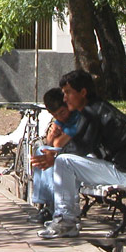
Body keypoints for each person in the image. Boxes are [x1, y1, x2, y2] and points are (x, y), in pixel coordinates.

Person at [32, 69, 126, 239]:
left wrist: (54, 157)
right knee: (64, 161)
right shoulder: (93, 108)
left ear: (83, 92)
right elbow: (80, 145)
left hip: (124, 172)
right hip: (121, 168)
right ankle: (63, 216)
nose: (64, 99)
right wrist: (54, 155)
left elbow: (81, 147)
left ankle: (66, 221)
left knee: (65, 162)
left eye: (68, 93)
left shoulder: (93, 112)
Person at [28, 88, 82, 224]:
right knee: (42, 150)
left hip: (80, 157)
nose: (60, 117)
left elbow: (59, 143)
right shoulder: (61, 119)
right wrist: (51, 135)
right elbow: (50, 141)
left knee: (50, 156)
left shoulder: (76, 117)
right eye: (55, 115)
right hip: (67, 154)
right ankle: (46, 203)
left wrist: (55, 139)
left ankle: (53, 206)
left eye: (62, 112)